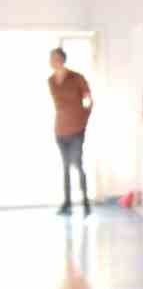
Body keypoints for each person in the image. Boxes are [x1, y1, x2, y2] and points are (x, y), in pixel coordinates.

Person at [47, 47, 93, 214]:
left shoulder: (76, 77)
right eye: (51, 58)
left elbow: (89, 99)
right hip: (60, 128)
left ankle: (86, 202)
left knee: (77, 164)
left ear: (62, 59)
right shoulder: (51, 81)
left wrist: (84, 117)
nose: (52, 61)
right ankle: (67, 203)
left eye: (54, 58)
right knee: (65, 166)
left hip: (77, 128)